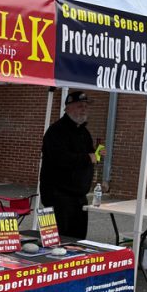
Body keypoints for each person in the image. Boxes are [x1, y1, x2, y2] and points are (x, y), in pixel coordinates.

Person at [39, 91, 102, 239]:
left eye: (86, 106)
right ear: (67, 108)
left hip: (79, 196)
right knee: (58, 241)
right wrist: (88, 158)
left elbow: (88, 154)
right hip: (58, 196)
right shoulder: (56, 131)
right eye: (80, 106)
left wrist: (96, 153)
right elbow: (60, 159)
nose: (84, 109)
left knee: (78, 240)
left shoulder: (84, 132)